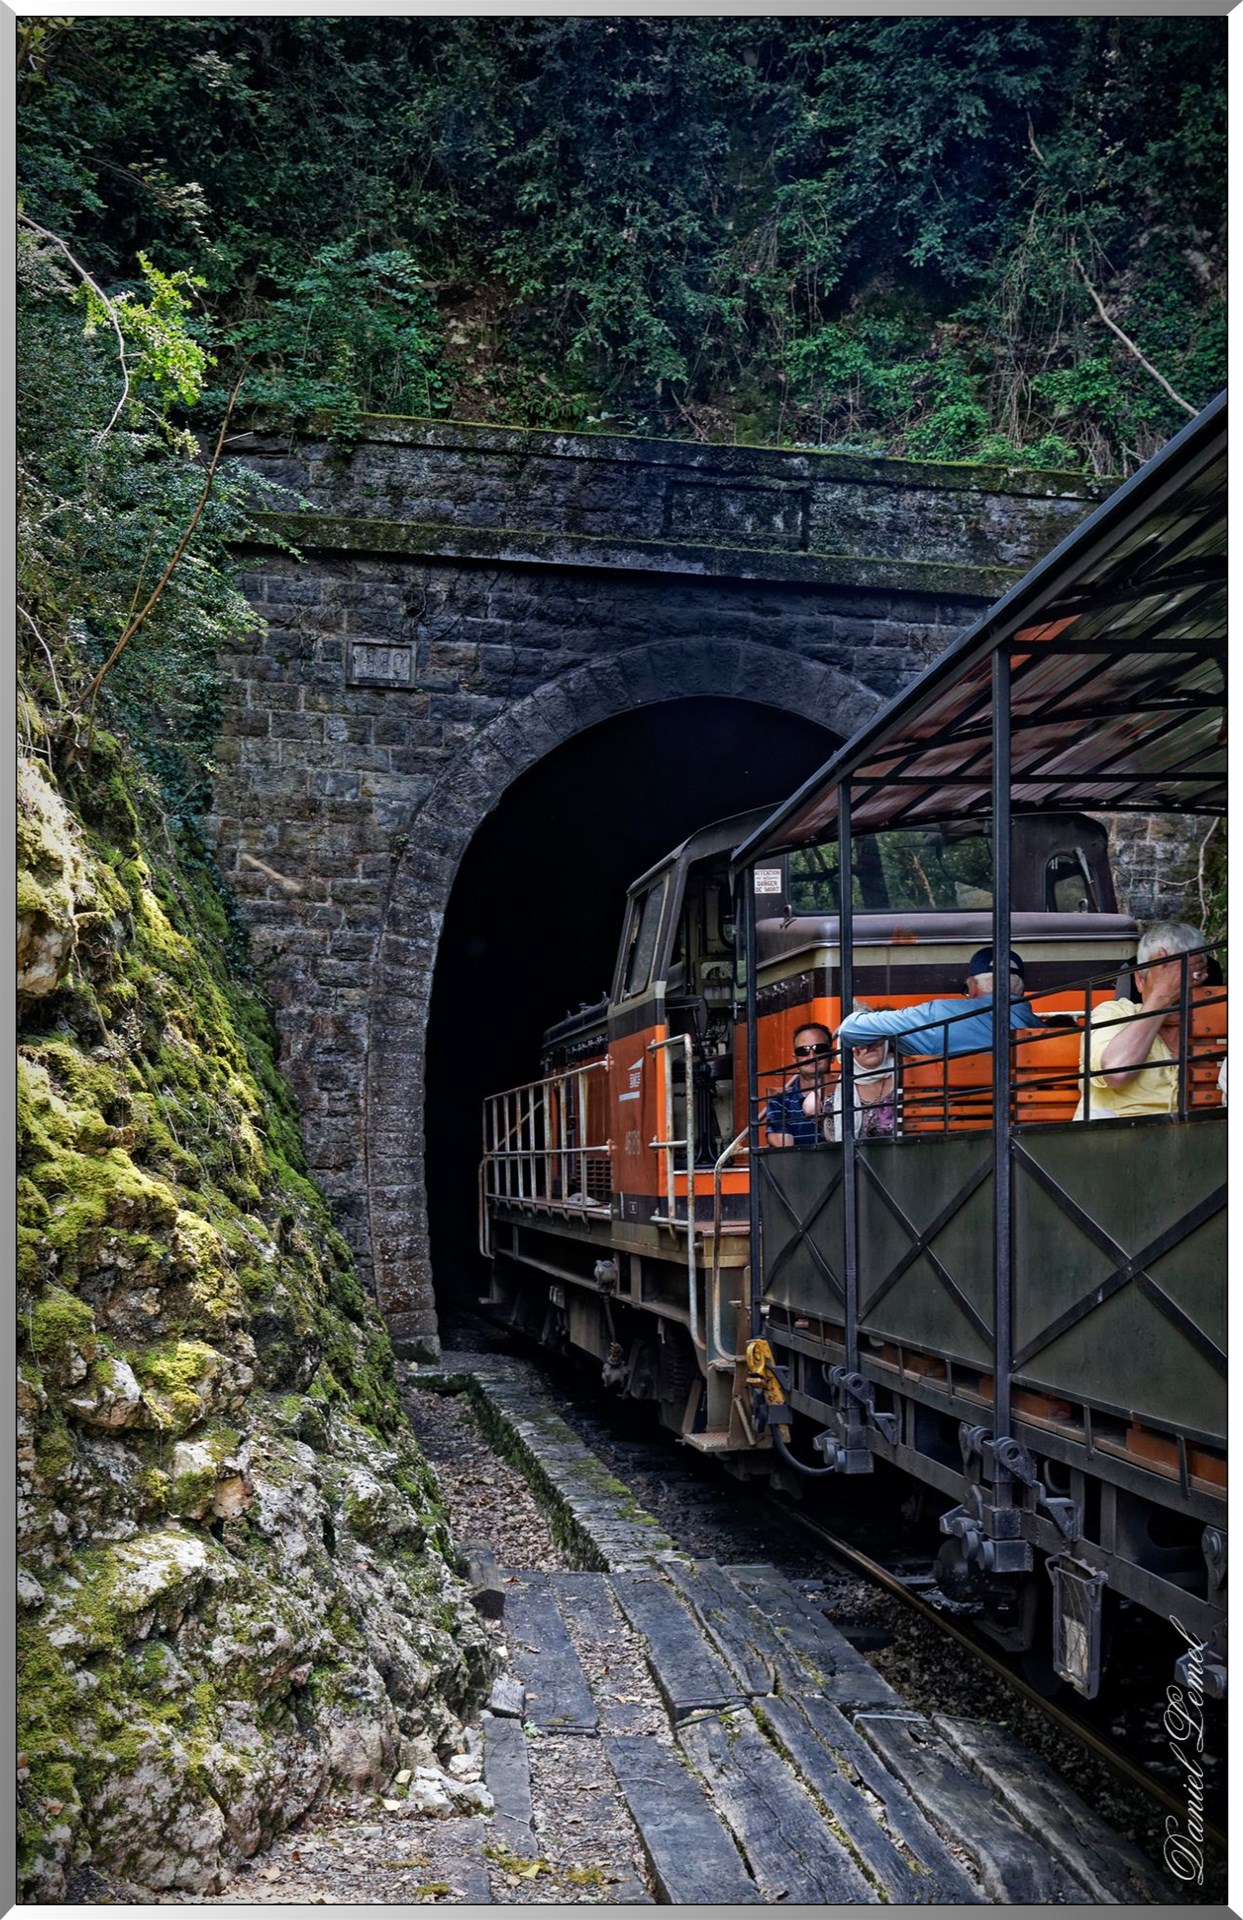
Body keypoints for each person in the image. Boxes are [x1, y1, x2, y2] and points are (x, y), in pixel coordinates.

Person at [1074, 921, 1210, 1121]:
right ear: (1139, 980)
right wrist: (1163, 996)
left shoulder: (1214, 1022)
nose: (1178, 989)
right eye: (1168, 978)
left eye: (1188, 977)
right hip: (1115, 1142)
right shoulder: (1113, 1013)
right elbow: (1116, 1073)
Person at [833, 947, 1034, 1058]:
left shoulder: (940, 1014)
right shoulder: (1044, 1031)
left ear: (972, 987)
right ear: (1021, 990)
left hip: (957, 1125)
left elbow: (853, 1029)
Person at [808, 1007, 896, 1140]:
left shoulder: (910, 1075)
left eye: (873, 1036)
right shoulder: (832, 1096)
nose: (867, 1045)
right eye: (858, 1040)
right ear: (847, 1048)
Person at [765, 1021, 833, 1145]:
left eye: (819, 1049)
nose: (812, 1056)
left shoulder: (848, 1092)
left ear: (832, 1055)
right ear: (795, 1059)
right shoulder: (779, 1101)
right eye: (803, 1051)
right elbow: (784, 1149)